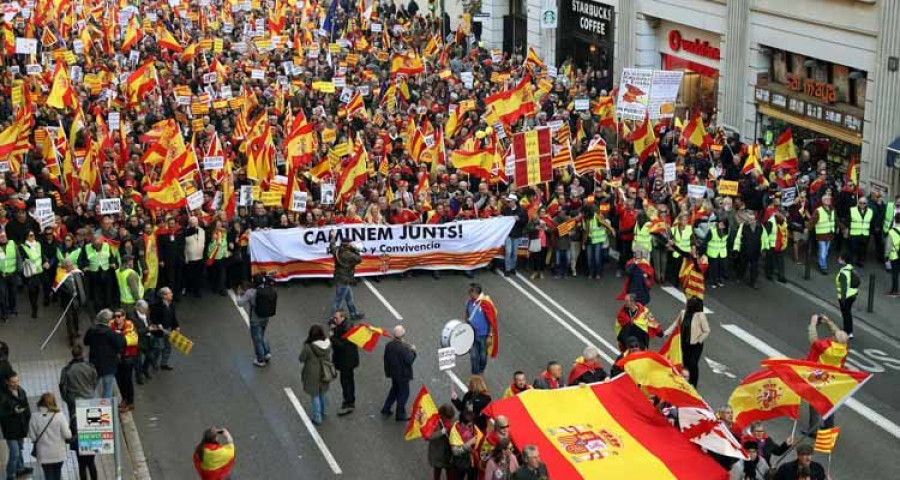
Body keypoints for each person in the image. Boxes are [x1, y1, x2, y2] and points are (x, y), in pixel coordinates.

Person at [665, 297, 711, 388]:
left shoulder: (700, 316)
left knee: (693, 364)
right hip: (684, 343)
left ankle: (693, 384)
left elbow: (707, 330)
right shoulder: (683, 313)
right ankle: (685, 382)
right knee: (685, 363)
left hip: (696, 345)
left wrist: (699, 340)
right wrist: (666, 332)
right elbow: (675, 324)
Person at [27, 393, 72, 480]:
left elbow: (32, 437)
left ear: (41, 402)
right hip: (58, 453)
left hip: (43, 454)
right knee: (57, 474)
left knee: (48, 475)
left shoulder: (34, 416)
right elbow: (67, 435)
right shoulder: (59, 416)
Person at [83, 309, 125, 398]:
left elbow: (86, 342)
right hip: (109, 365)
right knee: (108, 389)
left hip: (94, 364)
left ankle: (91, 406)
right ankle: (105, 408)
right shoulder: (111, 333)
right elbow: (120, 344)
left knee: (91, 388)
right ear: (109, 321)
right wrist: (120, 334)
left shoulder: (91, 330)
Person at [236, 275, 275, 367]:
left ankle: (260, 359)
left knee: (257, 339)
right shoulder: (268, 289)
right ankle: (267, 352)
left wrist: (238, 294)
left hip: (255, 318)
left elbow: (240, 303)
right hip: (266, 317)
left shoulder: (250, 292)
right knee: (262, 335)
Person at [298, 324, 333, 425]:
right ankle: (323, 410)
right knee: (322, 392)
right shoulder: (327, 344)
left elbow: (301, 358)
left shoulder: (308, 347)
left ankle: (317, 417)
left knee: (315, 395)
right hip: (325, 371)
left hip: (312, 373)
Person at [381, 325, 417, 422]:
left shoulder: (389, 345)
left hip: (393, 373)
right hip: (403, 375)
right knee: (404, 394)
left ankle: (386, 408)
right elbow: (409, 360)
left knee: (394, 391)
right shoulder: (403, 347)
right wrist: (413, 351)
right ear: (403, 335)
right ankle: (400, 414)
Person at [0, 372, 32, 479]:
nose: (16, 384)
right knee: (15, 453)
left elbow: (26, 406)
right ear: (7, 382)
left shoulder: (21, 391)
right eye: (13, 382)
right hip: (10, 429)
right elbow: (1, 414)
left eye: (17, 381)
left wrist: (28, 420)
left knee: (19, 448)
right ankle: (10, 475)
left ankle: (20, 468)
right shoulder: (2, 395)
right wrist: (14, 412)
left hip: (21, 426)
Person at [329, 309, 359, 416]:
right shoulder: (345, 326)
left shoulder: (347, 331)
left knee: (346, 382)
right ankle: (349, 400)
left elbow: (342, 346)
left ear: (342, 317)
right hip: (347, 360)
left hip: (346, 361)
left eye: (336, 318)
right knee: (348, 381)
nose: (334, 319)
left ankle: (349, 403)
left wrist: (332, 337)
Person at [465, 283, 498, 376]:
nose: (468, 294)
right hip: (472, 333)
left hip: (483, 335)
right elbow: (467, 313)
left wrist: (490, 336)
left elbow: (491, 320)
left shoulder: (486, 304)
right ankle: (475, 375)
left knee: (483, 356)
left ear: (475, 292)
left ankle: (481, 370)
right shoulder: (469, 302)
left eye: (470, 292)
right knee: (473, 356)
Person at [109, 309, 139, 412]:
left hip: (127, 357)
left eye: (119, 316)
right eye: (115, 316)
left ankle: (130, 401)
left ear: (124, 316)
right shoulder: (111, 325)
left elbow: (133, 340)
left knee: (127, 380)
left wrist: (119, 335)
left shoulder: (129, 325)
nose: (116, 318)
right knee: (119, 380)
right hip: (116, 358)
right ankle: (124, 399)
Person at [329, 232, 364, 319]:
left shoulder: (337, 250)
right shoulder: (349, 255)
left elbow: (332, 246)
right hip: (345, 279)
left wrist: (333, 237)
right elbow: (359, 259)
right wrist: (356, 249)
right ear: (348, 246)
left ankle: (354, 314)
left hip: (339, 277)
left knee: (349, 298)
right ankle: (332, 319)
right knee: (338, 301)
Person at [58, 345, 98, 416]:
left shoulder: (66, 369)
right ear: (83, 353)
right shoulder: (90, 367)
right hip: (89, 398)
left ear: (72, 354)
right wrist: (90, 391)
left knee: (76, 424)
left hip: (74, 401)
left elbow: (62, 386)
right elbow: (95, 382)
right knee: (91, 421)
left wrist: (67, 399)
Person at [56, 259, 87, 346]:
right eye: (70, 266)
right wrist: (69, 293)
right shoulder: (60, 276)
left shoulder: (77, 273)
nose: (73, 267)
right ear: (65, 267)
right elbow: (58, 289)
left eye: (72, 265)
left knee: (76, 316)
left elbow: (81, 284)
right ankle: (71, 338)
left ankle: (76, 330)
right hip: (67, 302)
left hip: (76, 300)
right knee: (69, 320)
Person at [734, 214, 768, 289]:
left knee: (754, 268)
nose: (750, 220)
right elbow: (738, 237)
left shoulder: (760, 227)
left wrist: (764, 249)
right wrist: (736, 248)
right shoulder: (743, 226)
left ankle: (753, 282)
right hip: (744, 250)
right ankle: (739, 276)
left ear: (755, 220)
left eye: (752, 219)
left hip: (755, 251)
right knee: (742, 265)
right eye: (749, 219)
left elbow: (765, 238)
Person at [149, 287, 180, 371]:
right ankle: (154, 363)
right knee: (159, 348)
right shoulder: (156, 307)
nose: (172, 294)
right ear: (164, 296)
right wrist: (158, 324)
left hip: (169, 329)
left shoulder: (171, 305)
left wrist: (176, 326)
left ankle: (164, 363)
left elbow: (173, 317)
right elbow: (152, 318)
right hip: (160, 331)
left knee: (168, 347)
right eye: (170, 293)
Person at [20, 230, 47, 319]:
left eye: (33, 235)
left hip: (39, 271)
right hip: (30, 272)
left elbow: (41, 254)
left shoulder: (38, 244)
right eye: (30, 235)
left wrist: (45, 261)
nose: (32, 237)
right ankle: (34, 307)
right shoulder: (23, 246)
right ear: (26, 237)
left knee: (38, 290)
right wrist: (27, 261)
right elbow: (23, 258)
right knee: (32, 291)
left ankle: (35, 303)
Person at [501, 194, 528, 276]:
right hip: (508, 234)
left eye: (509, 201)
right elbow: (503, 219)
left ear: (514, 201)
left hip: (517, 234)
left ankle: (512, 267)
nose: (508, 203)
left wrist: (519, 219)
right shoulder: (505, 210)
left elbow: (525, 221)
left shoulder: (521, 211)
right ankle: (507, 269)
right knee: (508, 252)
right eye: (508, 201)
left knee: (514, 253)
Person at [808, 195, 836, 274]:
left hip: (829, 235)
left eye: (829, 199)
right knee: (823, 251)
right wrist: (807, 228)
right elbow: (812, 221)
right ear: (823, 201)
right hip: (821, 235)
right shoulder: (818, 211)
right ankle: (823, 267)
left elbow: (836, 220)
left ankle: (821, 259)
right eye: (827, 199)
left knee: (825, 251)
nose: (829, 200)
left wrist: (843, 228)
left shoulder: (832, 210)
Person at [449, 410, 481, 480]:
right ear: (462, 423)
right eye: (469, 426)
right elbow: (455, 452)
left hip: (472, 461)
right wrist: (468, 444)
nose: (471, 428)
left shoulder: (473, 427)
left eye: (472, 425)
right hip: (460, 463)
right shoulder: (454, 433)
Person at [428, 404, 456, 480]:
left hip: (449, 453)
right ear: (442, 415)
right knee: (437, 470)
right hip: (438, 453)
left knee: (450, 471)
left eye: (451, 418)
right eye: (448, 418)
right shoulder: (435, 421)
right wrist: (442, 432)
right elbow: (429, 436)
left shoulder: (453, 421)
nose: (449, 420)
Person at [132, 300, 155, 384]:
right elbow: (136, 331)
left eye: (146, 309)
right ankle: (139, 377)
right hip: (138, 342)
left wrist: (153, 326)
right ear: (138, 308)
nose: (146, 311)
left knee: (150, 357)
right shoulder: (132, 318)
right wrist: (147, 329)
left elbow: (149, 322)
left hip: (147, 340)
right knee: (138, 361)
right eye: (144, 309)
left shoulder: (146, 313)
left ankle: (145, 370)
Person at [183, 216, 206, 298]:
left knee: (199, 275)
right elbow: (183, 246)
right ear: (189, 223)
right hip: (190, 257)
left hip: (200, 256)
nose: (193, 224)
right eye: (191, 222)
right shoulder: (185, 232)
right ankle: (189, 289)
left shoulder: (202, 231)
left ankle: (197, 290)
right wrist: (185, 257)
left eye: (195, 222)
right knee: (190, 275)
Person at [835, 262, 860, 337]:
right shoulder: (850, 269)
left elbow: (844, 287)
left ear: (843, 260)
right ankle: (850, 331)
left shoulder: (843, 273)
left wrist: (842, 299)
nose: (838, 260)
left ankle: (847, 331)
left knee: (845, 313)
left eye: (840, 258)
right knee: (848, 312)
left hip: (846, 296)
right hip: (853, 294)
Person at [0, 230, 20, 322]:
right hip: (2, 276)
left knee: (13, 293)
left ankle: (12, 309)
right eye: (0, 237)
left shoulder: (12, 244)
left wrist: (19, 269)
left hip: (13, 274)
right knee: (2, 296)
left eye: (4, 236)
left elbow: (18, 257)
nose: (2, 238)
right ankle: (4, 314)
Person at [848, 196, 872, 266]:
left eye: (864, 203)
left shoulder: (870, 211)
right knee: (852, 249)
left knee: (862, 249)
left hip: (864, 234)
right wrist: (846, 231)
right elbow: (848, 221)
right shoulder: (852, 210)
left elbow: (871, 222)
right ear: (858, 203)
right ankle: (850, 261)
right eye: (860, 203)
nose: (862, 204)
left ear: (866, 204)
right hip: (854, 233)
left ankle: (859, 261)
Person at [887, 212, 900, 297]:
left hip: (895, 256)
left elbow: (888, 246)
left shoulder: (891, 232)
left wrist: (886, 256)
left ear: (895, 220)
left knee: (895, 274)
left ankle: (894, 291)